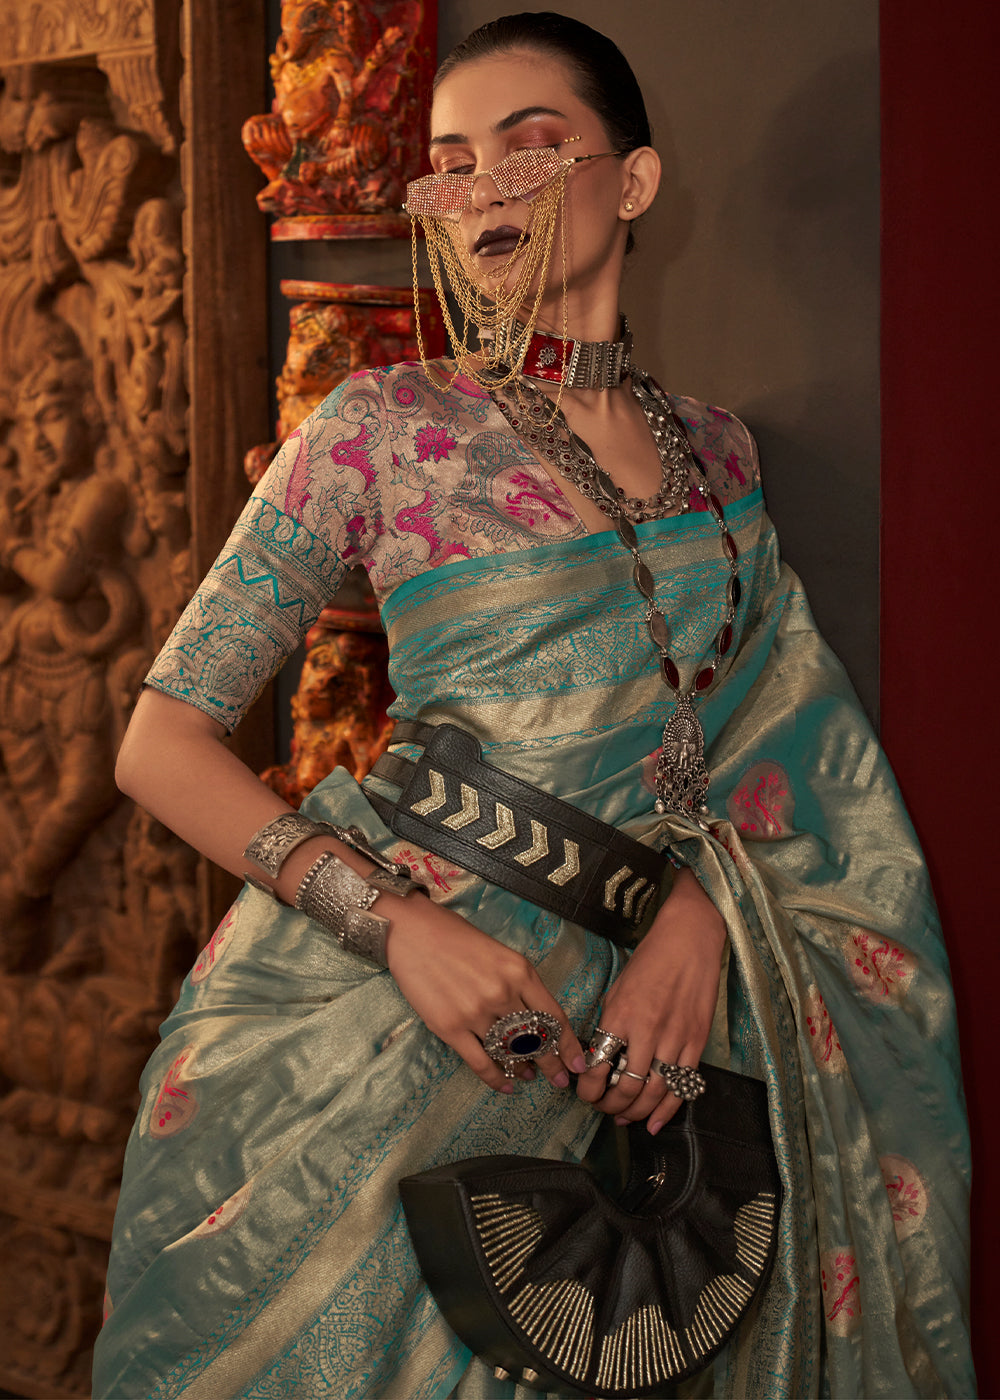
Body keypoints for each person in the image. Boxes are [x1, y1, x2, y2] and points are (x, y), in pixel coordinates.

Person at [93, 13, 973, 1399]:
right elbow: (159, 745)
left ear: (635, 181)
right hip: (391, 1024)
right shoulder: (380, 430)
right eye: (450, 165)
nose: (483, 189)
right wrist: (397, 927)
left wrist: (700, 916)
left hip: (658, 1038)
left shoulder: (719, 455)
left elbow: (778, 753)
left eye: (531, 146)